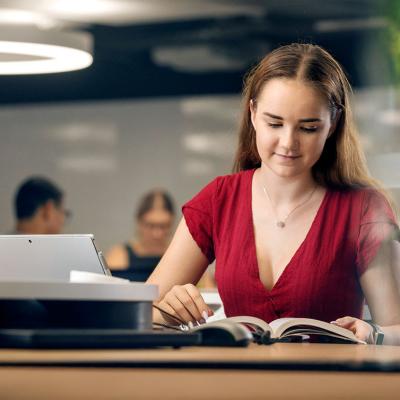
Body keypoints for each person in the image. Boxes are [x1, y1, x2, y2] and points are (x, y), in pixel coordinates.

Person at [147, 43, 400, 344]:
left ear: (332, 124)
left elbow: (396, 328)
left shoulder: (363, 209)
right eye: (274, 123)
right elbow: (140, 313)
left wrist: (374, 333)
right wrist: (169, 309)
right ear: (253, 114)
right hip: (237, 385)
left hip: (330, 386)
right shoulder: (219, 199)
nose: (287, 143)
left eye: (308, 128)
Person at [106, 189, 175, 282]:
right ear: (139, 223)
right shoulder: (119, 257)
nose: (157, 234)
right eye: (150, 225)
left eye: (164, 226)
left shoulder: (183, 256)